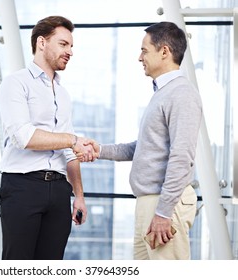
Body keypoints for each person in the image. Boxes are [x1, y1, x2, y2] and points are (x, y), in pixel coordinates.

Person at [86, 21, 203, 260]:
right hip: (150, 203)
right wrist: (99, 150)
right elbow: (145, 148)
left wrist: (163, 212)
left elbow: (181, 157)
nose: (140, 57)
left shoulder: (181, 94)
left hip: (163, 204)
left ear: (164, 52)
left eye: (144, 50)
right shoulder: (163, 93)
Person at [0, 15, 95, 260]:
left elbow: (68, 150)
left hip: (59, 191)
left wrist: (79, 196)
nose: (70, 51)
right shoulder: (16, 83)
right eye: (63, 44)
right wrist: (72, 140)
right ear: (42, 42)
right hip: (23, 187)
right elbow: (24, 136)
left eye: (71, 46)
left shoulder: (63, 94)